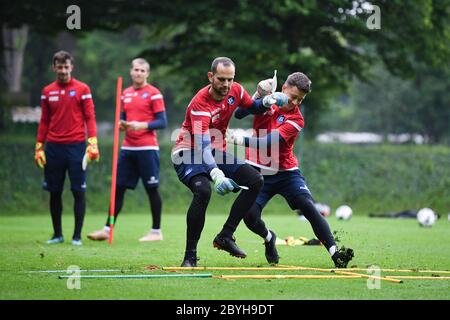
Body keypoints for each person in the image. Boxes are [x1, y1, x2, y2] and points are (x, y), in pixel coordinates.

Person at [228, 72, 354, 268]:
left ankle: (335, 253)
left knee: (308, 206)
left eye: (300, 99)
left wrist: (239, 140)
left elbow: (270, 143)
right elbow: (239, 113)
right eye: (293, 97)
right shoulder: (269, 100)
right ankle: (269, 238)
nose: (295, 102)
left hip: (287, 173)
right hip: (259, 171)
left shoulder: (297, 119)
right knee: (250, 217)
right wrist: (258, 95)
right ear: (284, 88)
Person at [172, 57, 288, 267]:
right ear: (211, 77)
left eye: (230, 79)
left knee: (255, 180)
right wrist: (216, 174)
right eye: (221, 79)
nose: (226, 85)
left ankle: (225, 236)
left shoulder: (235, 90)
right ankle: (190, 257)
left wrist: (267, 101)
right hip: (188, 152)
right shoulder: (200, 104)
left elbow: (251, 107)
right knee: (204, 191)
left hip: (214, 150)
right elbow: (203, 147)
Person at [87, 58, 167, 242]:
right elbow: (123, 118)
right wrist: (122, 125)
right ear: (131, 71)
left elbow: (162, 122)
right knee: (118, 188)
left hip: (147, 148)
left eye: (142, 70)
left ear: (147, 73)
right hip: (127, 148)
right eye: (135, 70)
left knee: (151, 189)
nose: (138, 73)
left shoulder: (154, 93)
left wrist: (141, 125)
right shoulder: (125, 93)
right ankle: (107, 228)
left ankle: (156, 232)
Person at [35, 50, 100, 246]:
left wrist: (93, 142)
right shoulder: (47, 91)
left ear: (72, 67)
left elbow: (90, 116)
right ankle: (57, 235)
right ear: (54, 67)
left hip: (77, 147)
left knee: (78, 191)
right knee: (55, 192)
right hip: (53, 148)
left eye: (66, 66)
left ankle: (76, 236)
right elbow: (44, 120)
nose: (63, 70)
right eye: (59, 67)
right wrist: (39, 146)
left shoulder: (82, 89)